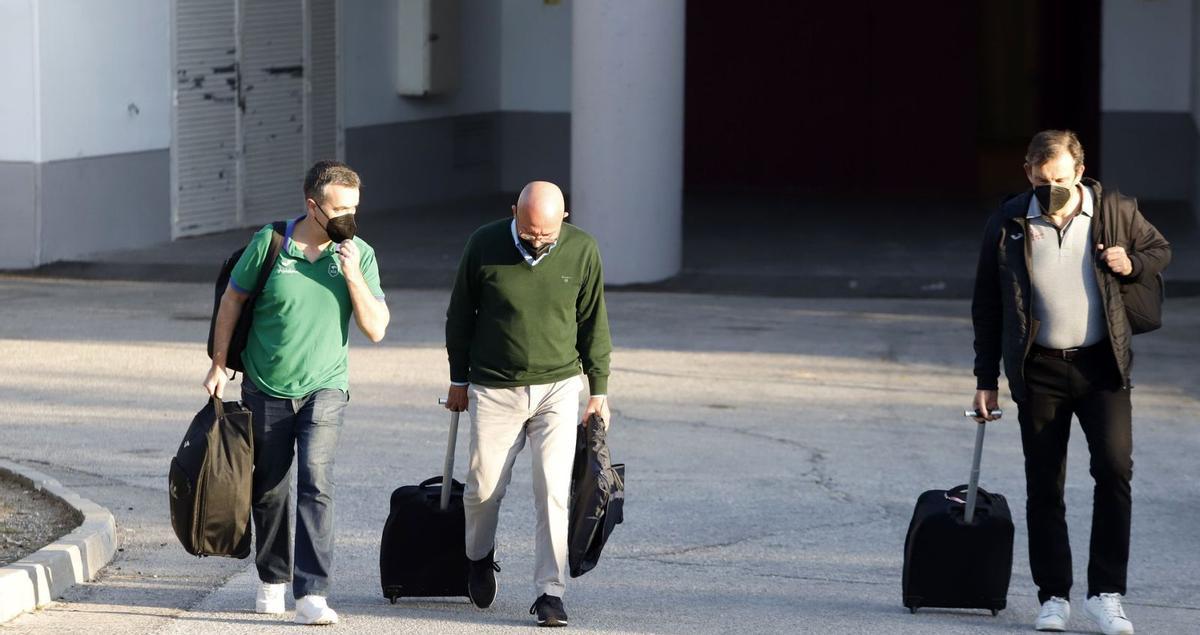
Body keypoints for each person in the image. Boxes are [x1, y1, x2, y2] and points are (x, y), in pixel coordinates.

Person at [970, 130, 1170, 635]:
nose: (1051, 191)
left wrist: (1132, 262)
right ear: (1028, 173)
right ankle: (1053, 596)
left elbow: (1159, 249)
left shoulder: (1115, 211)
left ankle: (1106, 594)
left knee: (1114, 473)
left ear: (1079, 172)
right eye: (1041, 182)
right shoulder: (1009, 222)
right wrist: (985, 378)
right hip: (1039, 369)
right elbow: (988, 304)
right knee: (1044, 483)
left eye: (1060, 180)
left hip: (1102, 367)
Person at [203, 160, 389, 625]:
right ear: (313, 206)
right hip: (266, 384)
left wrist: (352, 275)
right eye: (339, 209)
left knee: (316, 479)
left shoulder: (360, 254)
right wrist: (220, 364)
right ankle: (272, 579)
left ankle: (312, 592)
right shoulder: (270, 243)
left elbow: (376, 329)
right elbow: (232, 300)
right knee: (270, 484)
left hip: (326, 386)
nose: (348, 218)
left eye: (354, 209)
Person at [444, 181, 612, 627]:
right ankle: (478, 558)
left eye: (546, 234)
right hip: (494, 386)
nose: (536, 242)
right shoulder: (483, 243)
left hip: (558, 386)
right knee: (482, 489)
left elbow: (593, 321)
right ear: (514, 212)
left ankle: (550, 592)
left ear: (564, 219)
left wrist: (598, 391)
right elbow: (460, 314)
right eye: (528, 231)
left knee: (553, 491)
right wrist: (458, 379)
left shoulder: (582, 249)